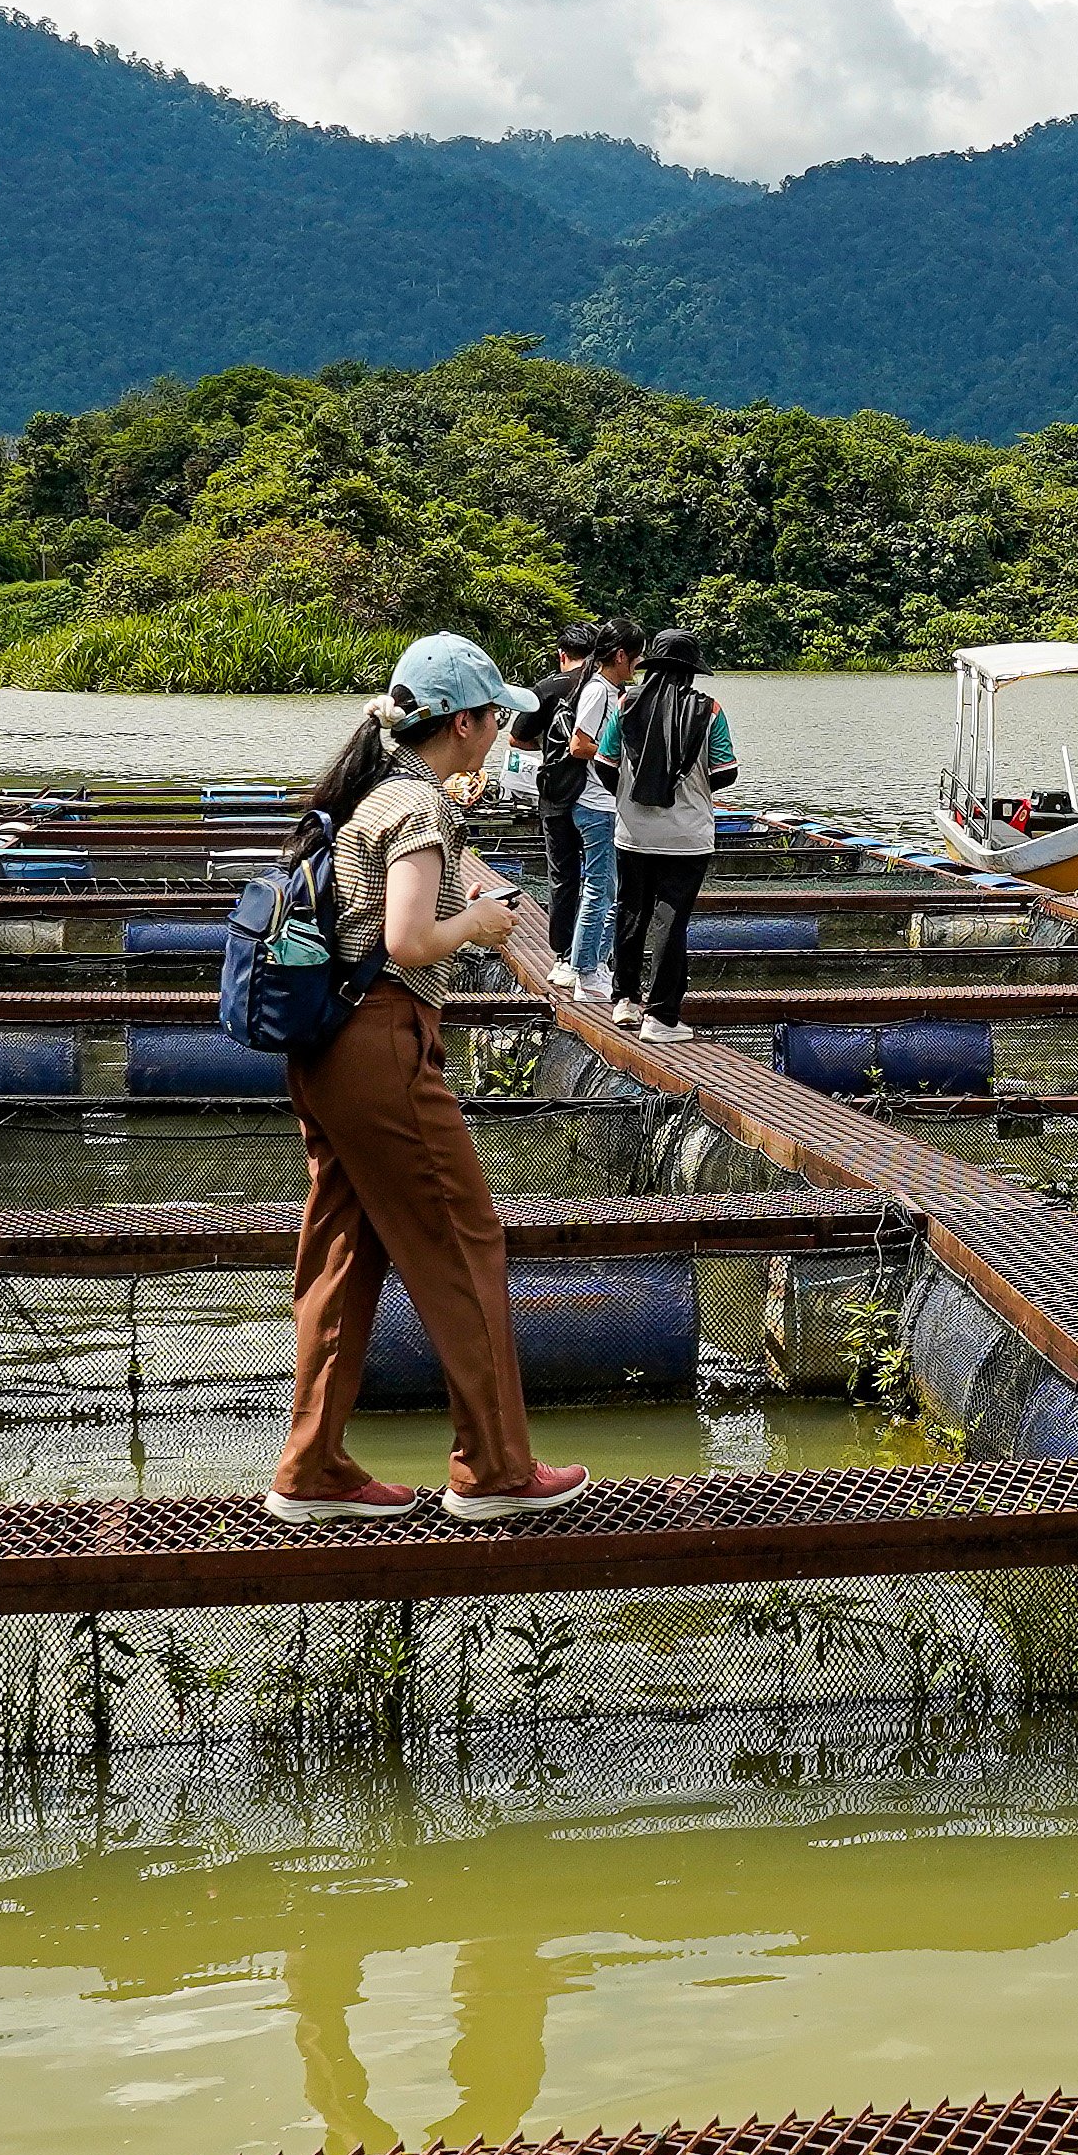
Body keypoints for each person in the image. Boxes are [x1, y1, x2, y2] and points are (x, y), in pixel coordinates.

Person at [264, 635, 590, 1527]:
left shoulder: (371, 792)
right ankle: (493, 1469)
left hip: (328, 1051)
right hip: (383, 1042)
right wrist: (481, 921)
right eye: (495, 718)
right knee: (463, 1239)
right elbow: (408, 942)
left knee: (345, 1251)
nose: (501, 732)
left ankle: (313, 1468)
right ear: (462, 723)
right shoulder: (415, 805)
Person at [602, 625, 737, 1022]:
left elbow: (604, 763)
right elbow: (726, 771)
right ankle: (661, 1016)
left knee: (630, 911)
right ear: (691, 671)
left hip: (633, 833)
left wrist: (631, 795)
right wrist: (687, 787)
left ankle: (624, 999)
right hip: (687, 835)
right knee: (671, 921)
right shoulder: (708, 710)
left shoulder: (625, 704)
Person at [524, 618, 623, 981]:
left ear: (562, 653)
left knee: (564, 874)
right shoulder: (605, 689)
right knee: (601, 880)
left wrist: (551, 749)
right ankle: (591, 960)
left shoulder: (550, 687)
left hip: (559, 794)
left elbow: (518, 739)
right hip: (597, 793)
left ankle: (565, 957)